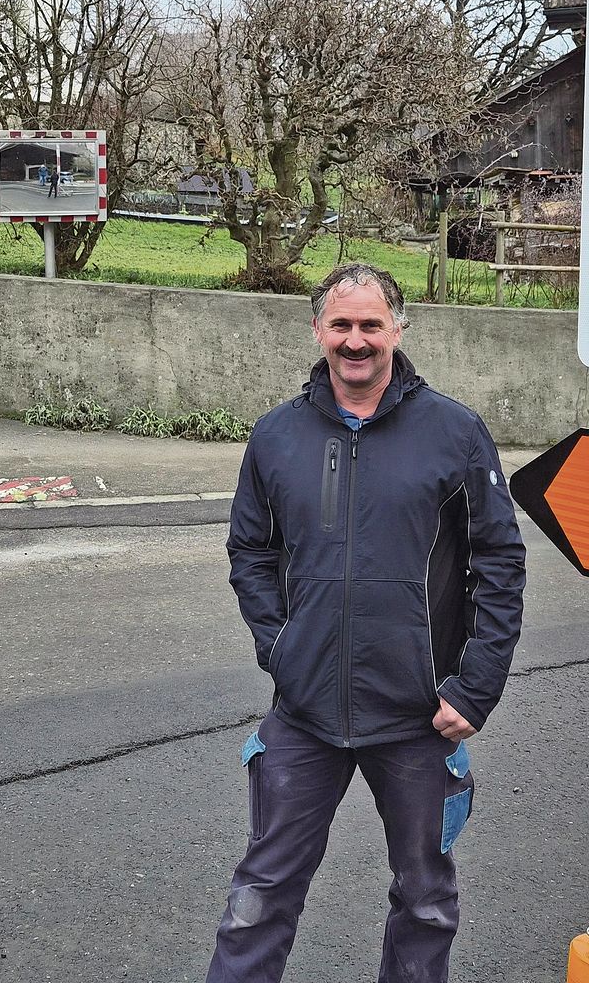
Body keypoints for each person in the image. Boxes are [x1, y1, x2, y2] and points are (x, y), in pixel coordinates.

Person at [205, 262, 525, 983]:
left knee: (424, 901)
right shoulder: (276, 436)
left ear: (397, 330)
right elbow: (250, 550)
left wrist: (473, 688)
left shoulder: (454, 433)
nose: (355, 341)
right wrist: (281, 648)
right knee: (260, 895)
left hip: (418, 717)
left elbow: (498, 565)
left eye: (370, 325)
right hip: (305, 712)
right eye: (341, 325)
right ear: (318, 330)